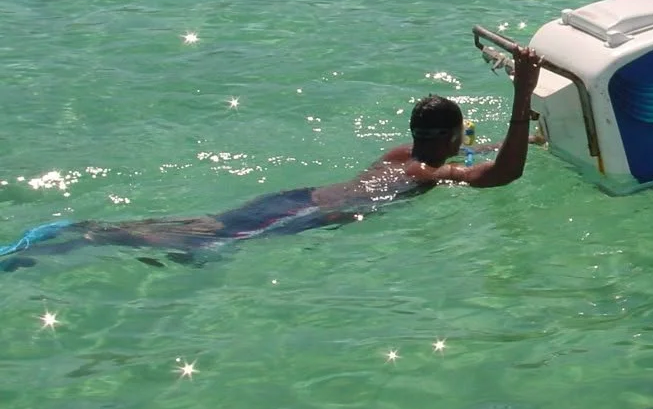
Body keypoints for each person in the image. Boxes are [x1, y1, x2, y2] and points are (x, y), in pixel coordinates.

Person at [0, 47, 544, 272]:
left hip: (297, 198)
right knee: (198, 241)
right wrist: (524, 95)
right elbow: (499, 174)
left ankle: (85, 232)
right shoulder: (428, 173)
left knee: (202, 227)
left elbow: (479, 153)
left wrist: (534, 139)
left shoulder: (402, 153)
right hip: (303, 216)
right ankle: (76, 237)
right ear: (450, 136)